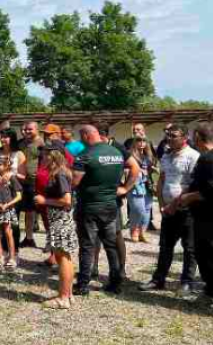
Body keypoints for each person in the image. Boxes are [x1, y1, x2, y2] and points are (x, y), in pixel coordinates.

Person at [172, 123, 213, 320]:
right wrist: (178, 200)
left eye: (193, 135)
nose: (191, 139)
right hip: (200, 217)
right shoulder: (204, 159)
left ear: (199, 137)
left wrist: (191, 197)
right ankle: (210, 292)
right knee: (202, 255)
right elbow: (195, 184)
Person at [72, 125, 139, 296]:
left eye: (81, 137)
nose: (80, 141)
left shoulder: (84, 155)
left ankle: (83, 285)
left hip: (89, 206)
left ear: (87, 136)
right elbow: (135, 168)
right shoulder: (116, 152)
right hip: (111, 205)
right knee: (111, 245)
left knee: (87, 245)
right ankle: (115, 282)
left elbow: (75, 182)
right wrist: (125, 188)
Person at [140, 124, 199, 293]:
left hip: (187, 209)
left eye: (174, 136)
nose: (169, 139)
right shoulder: (166, 156)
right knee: (165, 246)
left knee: (189, 248)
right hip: (168, 209)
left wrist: (175, 204)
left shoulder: (193, 156)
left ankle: (187, 282)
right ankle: (158, 279)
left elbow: (194, 184)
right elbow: (161, 180)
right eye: (168, 135)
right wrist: (162, 204)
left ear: (184, 138)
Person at [36, 149, 77, 309]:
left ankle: (63, 298)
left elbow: (67, 200)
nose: (42, 158)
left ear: (52, 156)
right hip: (58, 220)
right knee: (63, 257)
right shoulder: (60, 172)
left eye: (44, 155)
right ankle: (68, 294)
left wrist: (44, 200)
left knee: (63, 258)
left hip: (61, 220)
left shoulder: (60, 174)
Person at [0, 129, 25, 256]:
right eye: (1, 137)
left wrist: (11, 174)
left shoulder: (19, 154)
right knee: (0, 223)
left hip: (13, 192)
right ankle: (3, 252)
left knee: (13, 224)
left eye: (6, 137)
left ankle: (14, 252)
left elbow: (23, 175)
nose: (3, 140)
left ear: (12, 138)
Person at [0, 159, 22, 269]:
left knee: (8, 232)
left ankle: (12, 258)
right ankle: (0, 256)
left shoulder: (11, 178)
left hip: (7, 209)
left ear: (6, 166)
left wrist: (7, 205)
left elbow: (19, 196)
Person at [17, 121, 43, 249]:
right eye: (26, 129)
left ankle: (51, 246)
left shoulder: (42, 144)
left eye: (30, 129)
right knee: (27, 211)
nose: (27, 131)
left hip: (35, 181)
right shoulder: (21, 143)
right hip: (21, 181)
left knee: (39, 211)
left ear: (37, 129)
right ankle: (28, 238)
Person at [126, 137, 155, 243]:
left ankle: (142, 231)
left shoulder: (148, 156)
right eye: (139, 141)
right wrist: (139, 170)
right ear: (134, 142)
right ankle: (134, 230)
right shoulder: (129, 155)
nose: (142, 143)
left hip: (147, 185)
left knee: (147, 210)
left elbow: (150, 170)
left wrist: (152, 170)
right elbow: (125, 169)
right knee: (139, 210)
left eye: (144, 141)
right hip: (135, 185)